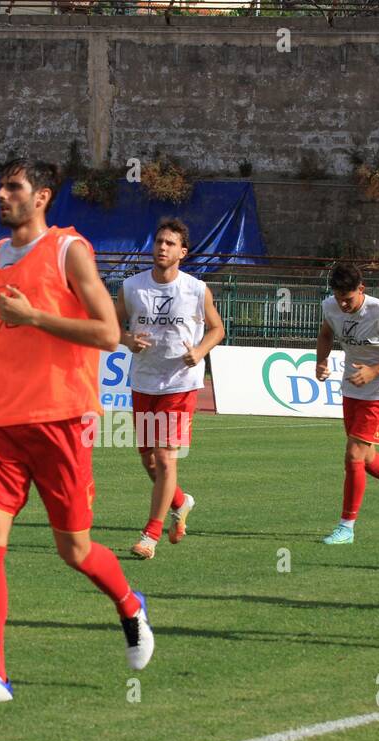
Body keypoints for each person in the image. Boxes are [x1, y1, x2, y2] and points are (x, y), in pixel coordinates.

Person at [0, 158, 154, 704]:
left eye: (14, 188)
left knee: (75, 549)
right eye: (0, 188)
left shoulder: (68, 251)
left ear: (41, 197)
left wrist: (36, 316)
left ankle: (130, 603)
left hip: (62, 418)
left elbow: (109, 333)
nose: (2, 197)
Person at [116, 216, 224, 559]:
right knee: (148, 460)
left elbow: (217, 328)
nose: (162, 247)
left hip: (180, 383)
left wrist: (200, 350)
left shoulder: (195, 289)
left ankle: (150, 535)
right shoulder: (132, 287)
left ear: (183, 252)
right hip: (144, 381)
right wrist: (127, 338)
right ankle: (181, 501)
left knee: (164, 457)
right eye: (159, 241)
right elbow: (108, 325)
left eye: (169, 243)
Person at [314, 262, 379, 545]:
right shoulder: (330, 306)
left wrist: (375, 370)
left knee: (353, 455)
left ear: (362, 289)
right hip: (352, 385)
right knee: (366, 457)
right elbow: (326, 334)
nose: (343, 304)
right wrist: (320, 361)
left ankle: (346, 527)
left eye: (348, 298)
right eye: (338, 298)